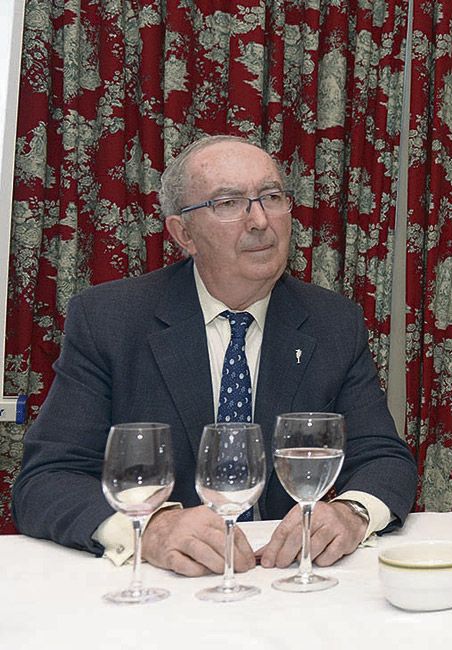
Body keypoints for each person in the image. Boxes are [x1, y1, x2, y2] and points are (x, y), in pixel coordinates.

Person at [13, 135, 418, 575]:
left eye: (272, 197)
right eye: (229, 203)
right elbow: (47, 479)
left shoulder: (332, 321)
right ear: (183, 233)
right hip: (164, 588)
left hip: (284, 580)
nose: (260, 220)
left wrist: (351, 514)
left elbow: (384, 458)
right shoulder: (111, 320)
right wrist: (151, 529)